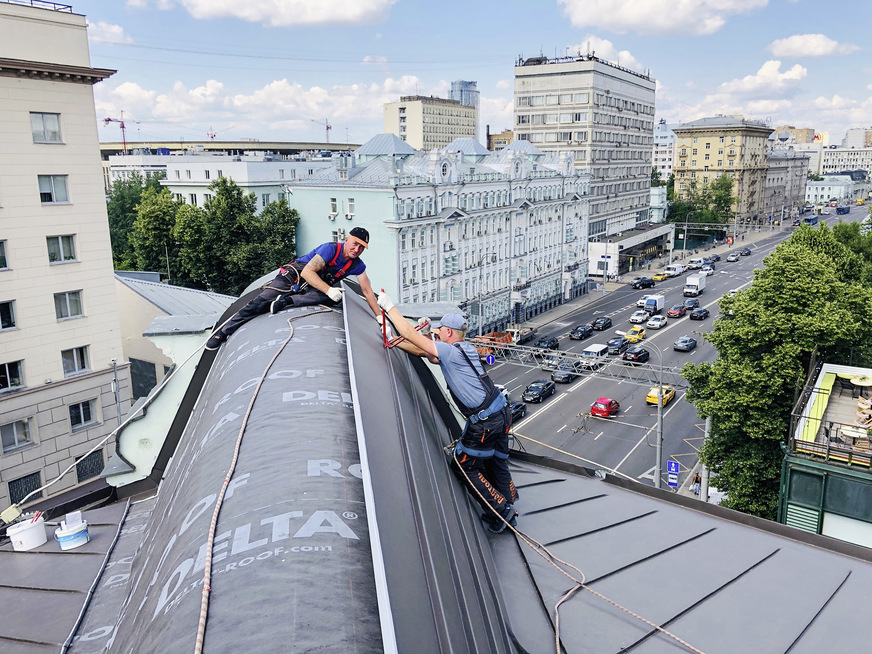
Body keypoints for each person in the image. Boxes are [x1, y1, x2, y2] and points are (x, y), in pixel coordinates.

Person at [377, 296, 518, 533]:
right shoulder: (464, 348)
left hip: (484, 422)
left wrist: (389, 307)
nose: (438, 332)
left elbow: (414, 338)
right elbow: (427, 354)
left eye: (440, 330)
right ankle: (509, 496)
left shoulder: (450, 351)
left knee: (464, 464)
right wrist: (394, 341)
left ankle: (501, 511)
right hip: (501, 413)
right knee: (496, 459)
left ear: (450, 333)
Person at [206, 227, 380, 350]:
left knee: (334, 298)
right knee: (261, 301)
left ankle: (286, 301)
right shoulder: (330, 249)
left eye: (361, 247)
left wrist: (379, 317)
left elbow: (366, 290)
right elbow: (307, 272)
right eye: (354, 244)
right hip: (295, 276)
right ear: (346, 240)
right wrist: (328, 289)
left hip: (314, 284)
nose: (356, 249)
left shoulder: (356, 265)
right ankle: (223, 332)